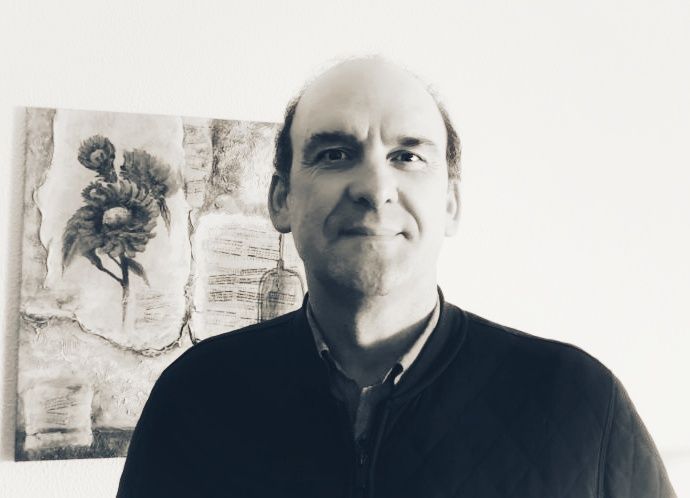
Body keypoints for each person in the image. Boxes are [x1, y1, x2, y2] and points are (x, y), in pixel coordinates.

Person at [117, 58, 675, 498]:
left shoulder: (580, 402)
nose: (375, 187)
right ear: (281, 199)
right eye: (335, 153)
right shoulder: (194, 398)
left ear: (450, 204)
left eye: (408, 157)